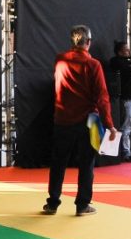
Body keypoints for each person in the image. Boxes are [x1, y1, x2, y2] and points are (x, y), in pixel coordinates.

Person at [43, 25, 116, 217]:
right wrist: (110, 125)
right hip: (89, 121)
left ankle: (52, 203)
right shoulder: (93, 65)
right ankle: (82, 204)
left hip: (62, 118)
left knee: (58, 162)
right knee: (86, 164)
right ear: (88, 43)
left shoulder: (60, 60)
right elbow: (102, 97)